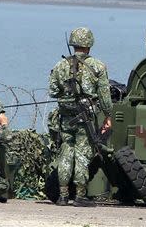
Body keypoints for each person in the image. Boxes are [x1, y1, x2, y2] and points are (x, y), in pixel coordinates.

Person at [48, 27, 113, 207]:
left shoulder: (60, 65)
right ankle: (80, 196)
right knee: (83, 154)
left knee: (66, 153)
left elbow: (53, 91)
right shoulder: (98, 66)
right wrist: (108, 115)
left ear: (73, 43)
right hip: (85, 117)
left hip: (65, 115)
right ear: (89, 45)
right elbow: (104, 95)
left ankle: (62, 195)